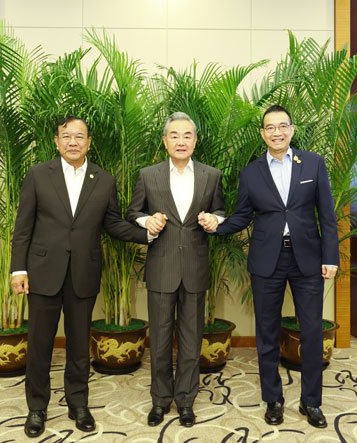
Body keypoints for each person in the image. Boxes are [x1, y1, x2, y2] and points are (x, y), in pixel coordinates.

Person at [10, 116, 151, 438]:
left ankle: (78, 404)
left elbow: (112, 223)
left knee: (78, 345)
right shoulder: (37, 174)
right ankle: (37, 408)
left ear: (89, 142)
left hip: (83, 274)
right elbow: (23, 226)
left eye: (79, 136)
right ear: (56, 141)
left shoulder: (103, 179)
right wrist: (18, 269)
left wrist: (148, 233)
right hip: (43, 273)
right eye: (66, 136)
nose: (73, 142)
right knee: (40, 345)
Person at [211, 104, 339, 428]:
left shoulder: (313, 163)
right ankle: (273, 400)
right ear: (262, 133)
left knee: (311, 332)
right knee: (267, 334)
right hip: (267, 261)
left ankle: (311, 402)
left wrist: (330, 257)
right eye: (270, 127)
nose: (277, 132)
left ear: (291, 130)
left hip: (307, 260)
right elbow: (242, 216)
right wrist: (216, 224)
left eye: (282, 126)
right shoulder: (251, 172)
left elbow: (327, 215)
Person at [126, 112, 225, 428]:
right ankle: (159, 400)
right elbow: (132, 212)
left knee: (191, 340)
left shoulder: (212, 175)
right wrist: (148, 221)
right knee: (159, 340)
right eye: (174, 135)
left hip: (195, 268)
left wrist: (215, 220)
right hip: (161, 268)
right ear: (165, 141)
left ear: (195, 140)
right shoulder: (148, 175)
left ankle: (186, 401)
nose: (181, 141)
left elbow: (221, 210)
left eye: (187, 135)